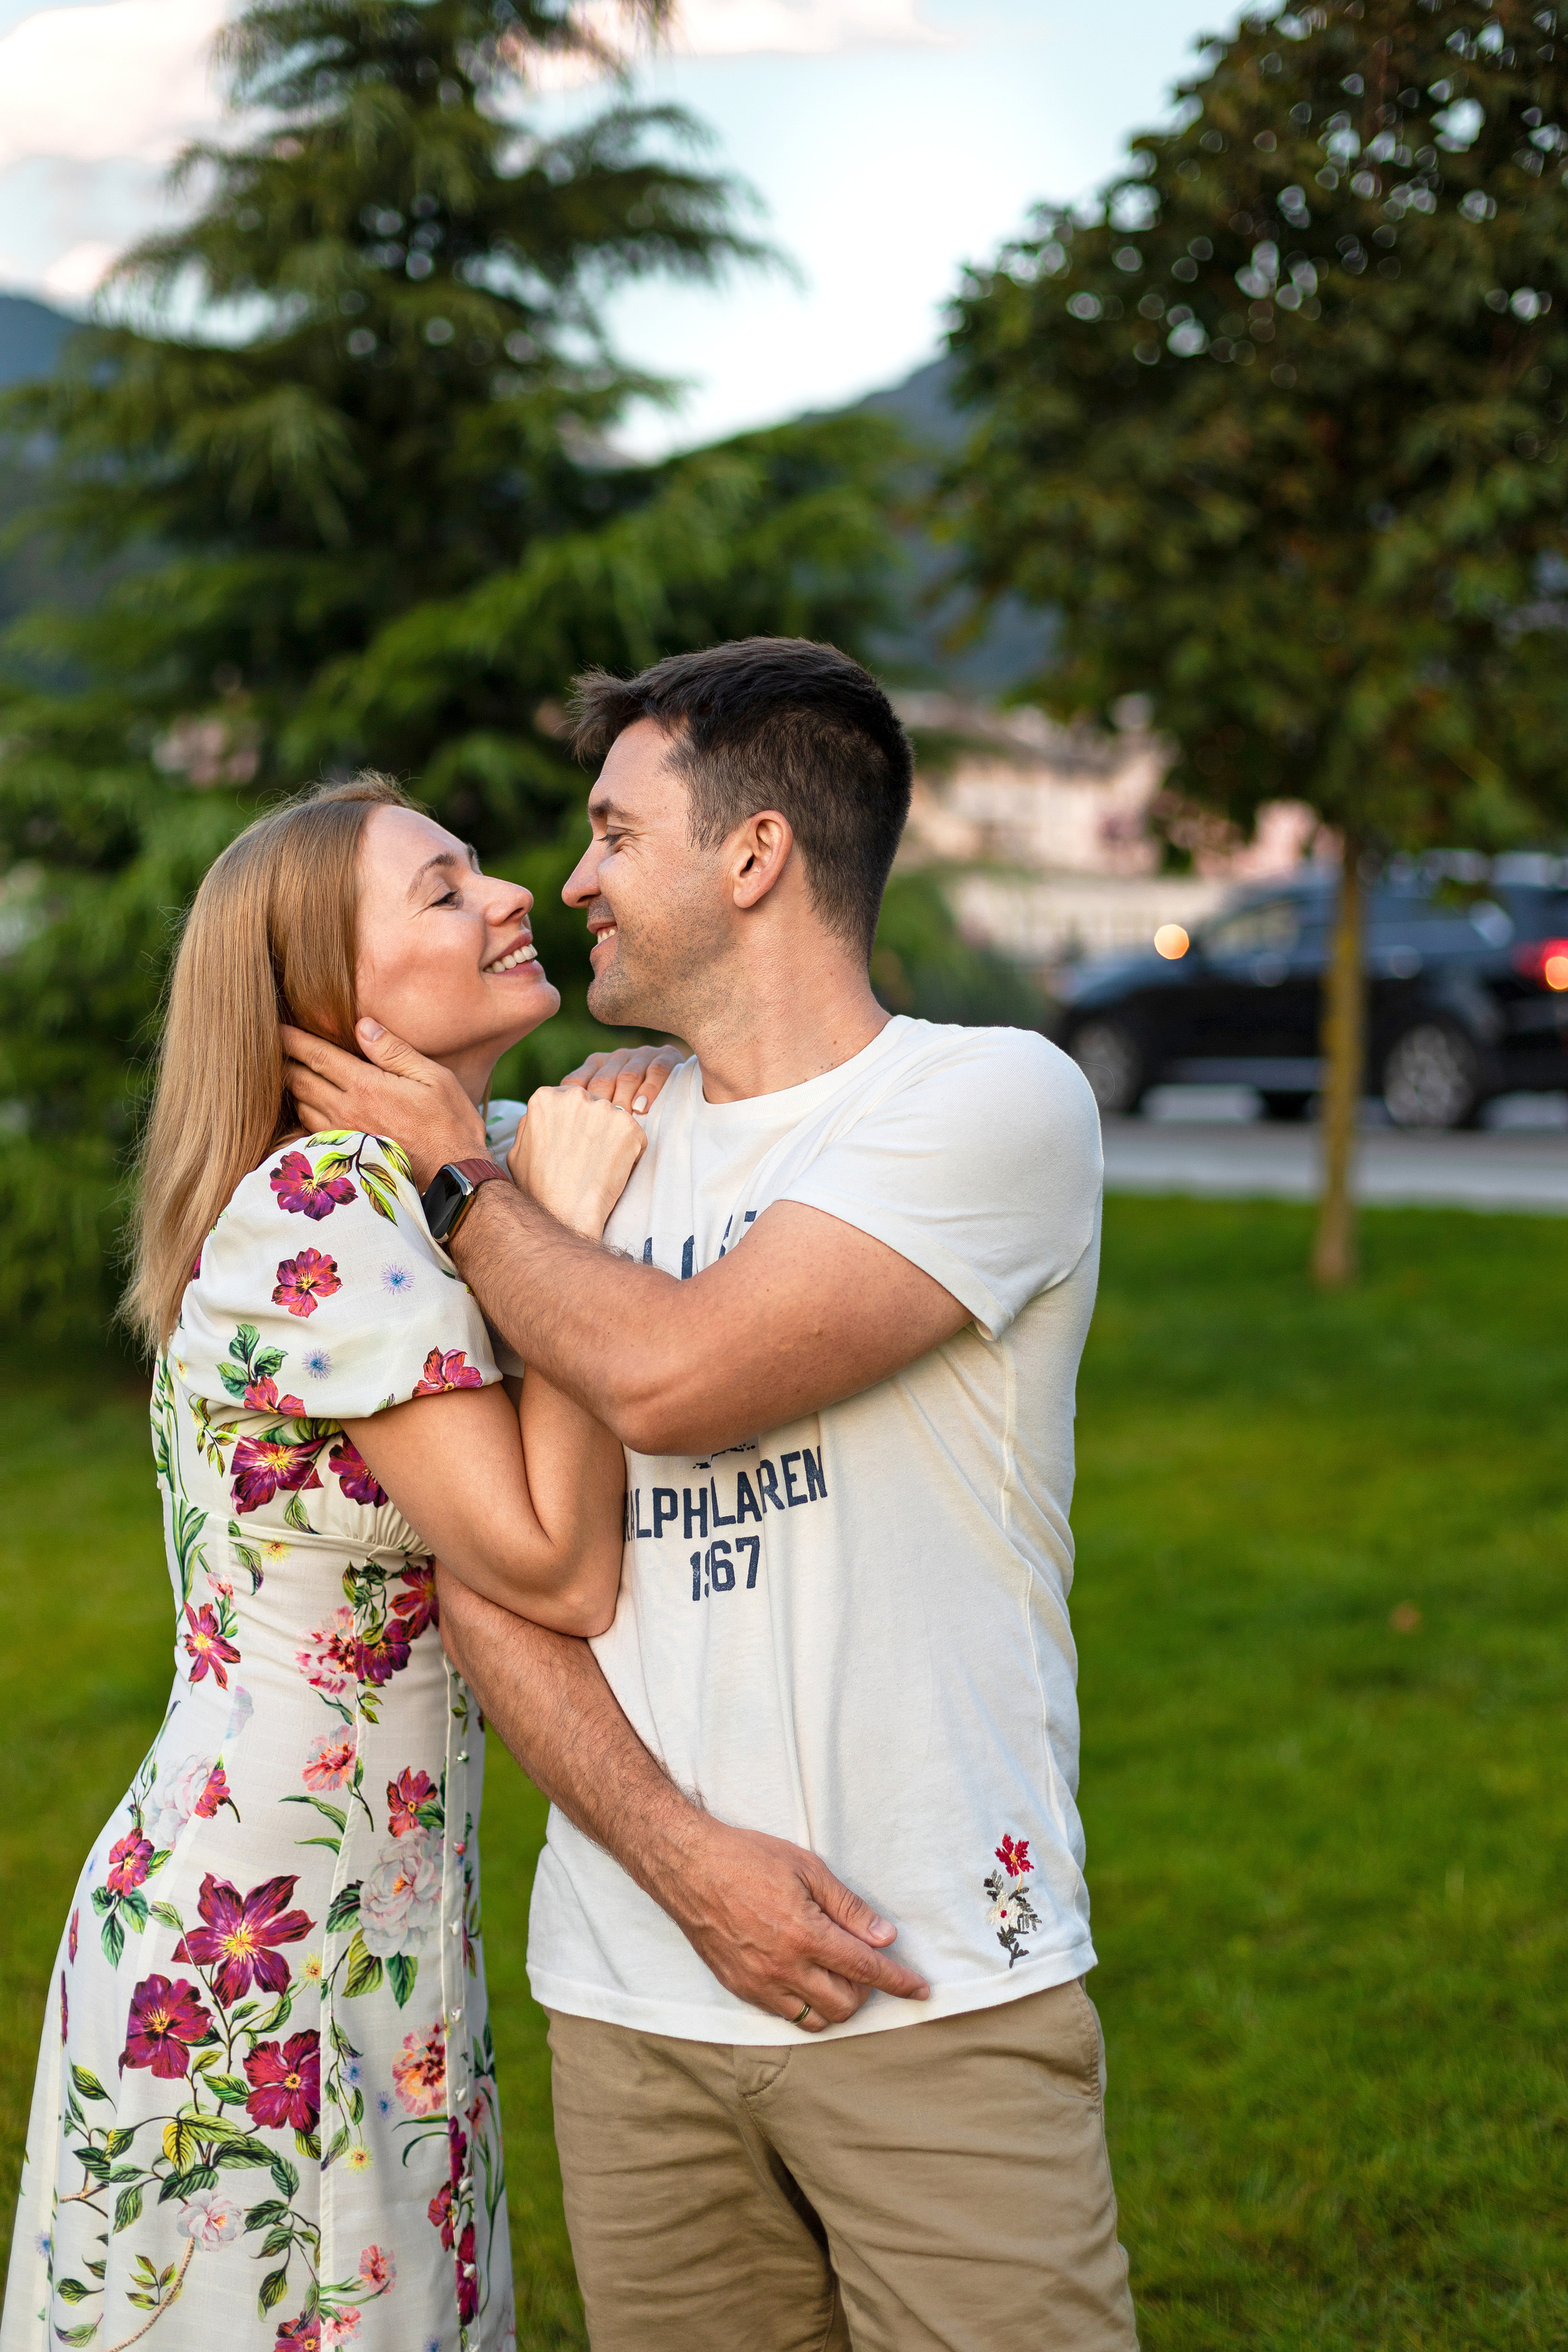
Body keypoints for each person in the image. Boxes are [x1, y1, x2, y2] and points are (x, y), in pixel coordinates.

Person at [282, 637, 1139, 2352]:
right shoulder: (562, 1156)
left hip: (934, 1989)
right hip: (629, 2005)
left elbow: (676, 1374)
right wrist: (682, 1863)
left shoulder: (986, 1106)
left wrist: (463, 1172)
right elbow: (493, 1576)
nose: (571, 878)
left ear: (755, 858)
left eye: (615, 831)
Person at [0, 774, 684, 2352]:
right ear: (331, 1003)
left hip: (360, 1927)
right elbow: (552, 1565)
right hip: (260, 1962)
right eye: (442, 893)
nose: (514, 894)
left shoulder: (433, 1182)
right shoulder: (327, 1206)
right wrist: (562, 1239)